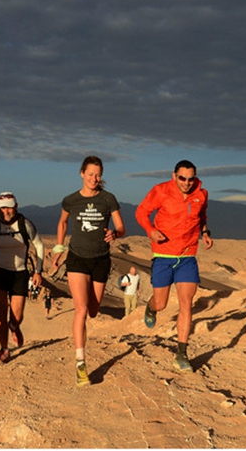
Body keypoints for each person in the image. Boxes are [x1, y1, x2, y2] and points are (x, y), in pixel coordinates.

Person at [52, 155, 125, 387]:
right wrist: (59, 247)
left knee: (93, 310)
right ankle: (80, 364)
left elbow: (121, 226)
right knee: (81, 309)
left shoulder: (108, 199)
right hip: (77, 259)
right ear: (82, 173)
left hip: (101, 259)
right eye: (90, 174)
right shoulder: (71, 200)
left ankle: (81, 358)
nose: (94, 178)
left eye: (98, 174)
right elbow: (62, 222)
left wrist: (115, 233)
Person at [135, 160, 213, 373]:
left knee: (186, 302)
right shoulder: (160, 191)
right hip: (163, 255)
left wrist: (205, 233)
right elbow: (141, 212)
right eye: (182, 178)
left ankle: (182, 354)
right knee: (161, 303)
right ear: (174, 176)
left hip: (187, 256)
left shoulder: (201, 194)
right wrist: (150, 230)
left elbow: (202, 216)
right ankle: (151, 308)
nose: (187, 183)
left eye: (191, 179)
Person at [0, 192, 45, 365]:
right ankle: (4, 349)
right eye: (2, 207)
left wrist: (38, 271)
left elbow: (39, 245)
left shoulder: (24, 224)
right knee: (0, 313)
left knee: (17, 315)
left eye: (9, 207)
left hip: (19, 273)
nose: (6, 211)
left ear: (16, 206)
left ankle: (14, 326)